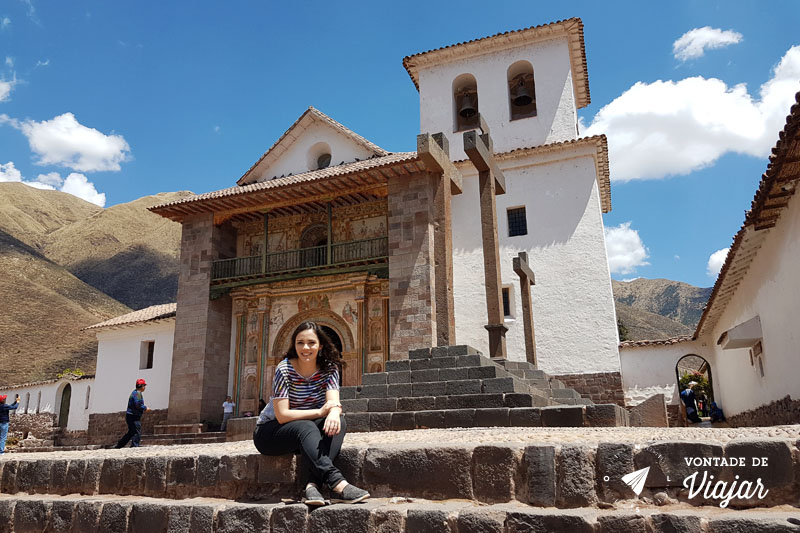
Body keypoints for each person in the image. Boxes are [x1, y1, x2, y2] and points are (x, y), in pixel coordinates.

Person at [253, 321, 369, 506]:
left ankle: (310, 486)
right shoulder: (284, 369)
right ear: (294, 344)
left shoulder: (330, 368)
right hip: (271, 432)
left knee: (339, 422)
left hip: (304, 434)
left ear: (320, 345)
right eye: (300, 342)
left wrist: (334, 411)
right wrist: (321, 411)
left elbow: (333, 402)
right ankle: (337, 482)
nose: (305, 347)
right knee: (306, 426)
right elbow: (282, 415)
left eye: (311, 342)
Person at [115, 378, 148, 448]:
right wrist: (145, 408)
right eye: (144, 385)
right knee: (136, 430)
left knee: (131, 432)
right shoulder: (138, 394)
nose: (145, 387)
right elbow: (138, 404)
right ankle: (135, 445)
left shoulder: (134, 392)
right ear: (141, 386)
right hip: (134, 416)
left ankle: (120, 445)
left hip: (130, 415)